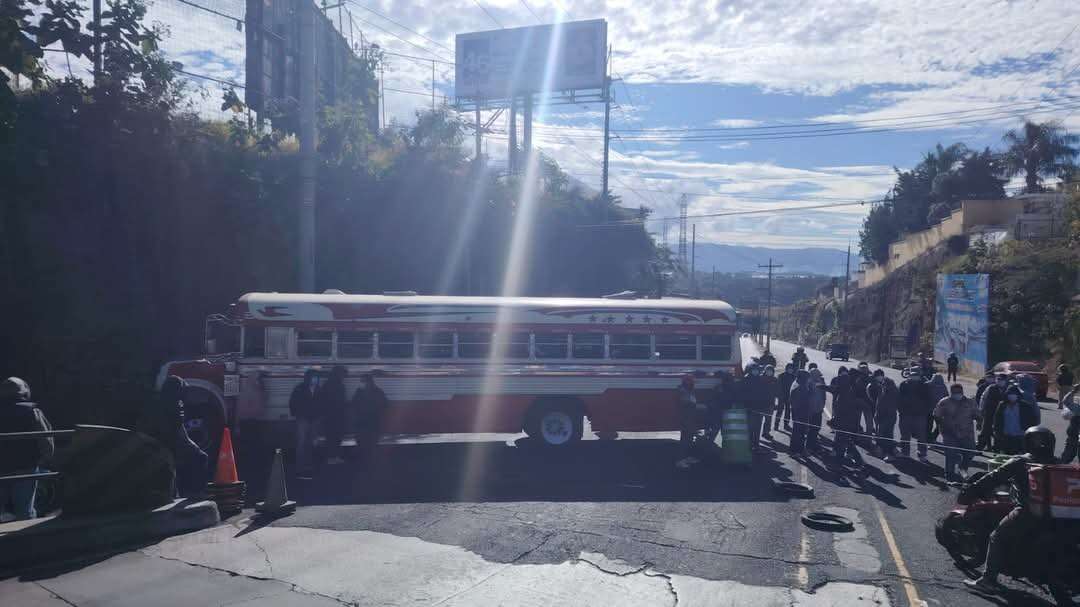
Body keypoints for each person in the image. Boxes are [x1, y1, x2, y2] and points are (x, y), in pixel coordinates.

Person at [962, 427, 1065, 601]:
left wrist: (971, 490)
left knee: (996, 537)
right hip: (1058, 514)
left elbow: (993, 477)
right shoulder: (1057, 462)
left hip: (1029, 511)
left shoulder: (1020, 462)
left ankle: (988, 581)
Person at [137, 376, 207, 498]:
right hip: (166, 443)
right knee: (199, 457)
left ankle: (185, 491)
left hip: (161, 442)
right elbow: (174, 432)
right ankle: (193, 492)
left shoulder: (160, 403)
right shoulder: (171, 406)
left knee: (196, 457)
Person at [0, 378, 54, 520]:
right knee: (25, 510)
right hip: (25, 466)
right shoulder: (31, 410)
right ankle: (27, 538)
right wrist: (46, 458)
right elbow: (46, 437)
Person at [933, 383, 978, 484]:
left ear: (962, 392)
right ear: (951, 392)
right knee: (950, 455)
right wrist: (942, 427)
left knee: (970, 452)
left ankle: (962, 468)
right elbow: (936, 415)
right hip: (950, 434)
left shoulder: (970, 402)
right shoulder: (944, 402)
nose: (957, 394)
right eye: (955, 392)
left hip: (967, 433)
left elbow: (976, 414)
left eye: (959, 392)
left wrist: (980, 420)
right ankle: (949, 475)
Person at [825, 367, 866, 473]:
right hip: (844, 421)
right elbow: (835, 390)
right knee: (844, 443)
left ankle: (842, 464)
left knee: (842, 443)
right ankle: (858, 463)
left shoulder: (850, 387)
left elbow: (834, 390)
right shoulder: (849, 387)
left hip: (844, 421)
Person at [289, 369, 320, 478]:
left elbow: (322, 403)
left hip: (314, 420)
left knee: (311, 443)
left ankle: (308, 465)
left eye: (317, 377)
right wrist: (297, 414)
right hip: (303, 419)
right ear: (308, 378)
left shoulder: (318, 390)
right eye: (313, 377)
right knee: (301, 444)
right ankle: (299, 468)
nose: (315, 379)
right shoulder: (300, 388)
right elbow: (293, 402)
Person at [317, 365, 348, 465]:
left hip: (330, 415)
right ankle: (332, 457)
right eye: (343, 374)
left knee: (331, 436)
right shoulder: (338, 385)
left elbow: (323, 399)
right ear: (339, 374)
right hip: (336, 415)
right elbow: (340, 401)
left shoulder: (327, 384)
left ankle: (332, 457)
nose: (344, 377)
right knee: (335, 436)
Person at [351, 373, 389, 453]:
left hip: (362, 420)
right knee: (372, 441)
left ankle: (363, 455)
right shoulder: (378, 391)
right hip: (373, 419)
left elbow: (354, 404)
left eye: (362, 381)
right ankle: (370, 455)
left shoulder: (359, 391)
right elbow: (385, 404)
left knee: (362, 440)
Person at [994, 385, 1036, 455]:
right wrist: (997, 433)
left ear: (1018, 395)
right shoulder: (1002, 405)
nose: (1012, 396)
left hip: (1020, 436)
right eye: (1010, 394)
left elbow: (1032, 420)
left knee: (1018, 457)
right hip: (1006, 436)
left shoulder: (1025, 406)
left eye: (1014, 394)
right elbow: (997, 419)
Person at [740, 363, 773, 452]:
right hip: (749, 409)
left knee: (757, 428)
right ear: (750, 370)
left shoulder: (760, 379)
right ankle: (749, 445)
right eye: (754, 369)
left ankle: (756, 445)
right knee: (749, 428)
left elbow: (764, 393)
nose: (756, 371)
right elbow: (742, 395)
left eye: (757, 370)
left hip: (759, 408)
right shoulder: (746, 379)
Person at [897, 373, 930, 460]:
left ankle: (922, 453)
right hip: (907, 414)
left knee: (921, 436)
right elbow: (898, 398)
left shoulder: (924, 386)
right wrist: (901, 410)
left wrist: (925, 411)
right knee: (905, 435)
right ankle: (905, 452)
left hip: (919, 415)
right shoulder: (904, 385)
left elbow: (929, 400)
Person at [677, 375, 705, 467]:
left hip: (689, 418)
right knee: (685, 439)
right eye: (691, 382)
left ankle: (687, 457)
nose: (693, 384)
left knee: (689, 438)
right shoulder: (683, 392)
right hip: (686, 419)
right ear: (687, 383)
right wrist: (700, 406)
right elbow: (688, 404)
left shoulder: (687, 391)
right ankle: (681, 460)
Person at [977, 374, 1009, 451]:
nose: (999, 381)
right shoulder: (991, 388)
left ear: (1005, 381)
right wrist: (981, 409)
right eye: (998, 379)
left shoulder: (1008, 389)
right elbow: (983, 398)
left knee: (999, 431)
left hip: (1001, 414)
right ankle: (984, 446)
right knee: (985, 430)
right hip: (989, 412)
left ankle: (997, 447)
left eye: (1002, 380)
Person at [872, 370, 899, 460]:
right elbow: (878, 402)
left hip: (886, 415)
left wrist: (878, 414)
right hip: (886, 415)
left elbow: (883, 403)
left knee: (884, 434)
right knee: (886, 434)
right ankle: (887, 451)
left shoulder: (888, 387)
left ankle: (887, 453)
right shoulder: (884, 386)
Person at [788, 370, 813, 455]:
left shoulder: (799, 384)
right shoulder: (799, 387)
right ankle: (794, 451)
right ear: (804, 378)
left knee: (801, 433)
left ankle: (800, 449)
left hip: (801, 413)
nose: (809, 380)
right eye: (808, 378)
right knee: (797, 433)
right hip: (799, 414)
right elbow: (797, 402)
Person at [806, 368, 828, 454]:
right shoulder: (808, 383)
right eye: (818, 375)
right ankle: (808, 447)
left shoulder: (821, 382)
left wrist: (822, 405)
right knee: (811, 429)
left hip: (818, 409)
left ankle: (814, 445)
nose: (819, 377)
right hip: (811, 410)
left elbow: (824, 395)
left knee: (816, 428)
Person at [851, 362, 875, 437]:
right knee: (869, 420)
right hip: (867, 402)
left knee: (857, 419)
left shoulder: (856, 378)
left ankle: (856, 433)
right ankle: (869, 435)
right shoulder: (871, 378)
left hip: (858, 400)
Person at [1059, 384, 1080, 463]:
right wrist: (1073, 391)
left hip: (1074, 436)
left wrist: (1073, 391)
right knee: (1067, 457)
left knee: (1067, 456)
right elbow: (1066, 402)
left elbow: (1066, 401)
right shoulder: (1078, 408)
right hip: (1074, 436)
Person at [925, 373, 948, 442]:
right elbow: (947, 397)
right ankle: (932, 437)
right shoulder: (943, 386)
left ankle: (929, 437)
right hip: (938, 410)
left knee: (929, 425)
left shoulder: (927, 384)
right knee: (939, 426)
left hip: (930, 409)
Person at [774, 363, 796, 432]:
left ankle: (786, 424)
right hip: (782, 396)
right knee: (779, 411)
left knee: (788, 411)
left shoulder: (794, 377)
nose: (790, 370)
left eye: (791, 369)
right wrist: (779, 395)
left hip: (789, 397)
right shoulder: (781, 376)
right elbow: (778, 386)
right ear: (786, 369)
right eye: (789, 368)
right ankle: (776, 425)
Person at [761, 364, 779, 440]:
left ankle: (766, 433)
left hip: (770, 403)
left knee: (768, 420)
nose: (769, 372)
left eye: (771, 371)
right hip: (760, 403)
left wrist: (777, 402)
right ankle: (755, 435)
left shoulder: (775, 380)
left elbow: (778, 391)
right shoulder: (760, 378)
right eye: (768, 371)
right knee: (758, 420)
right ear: (765, 371)